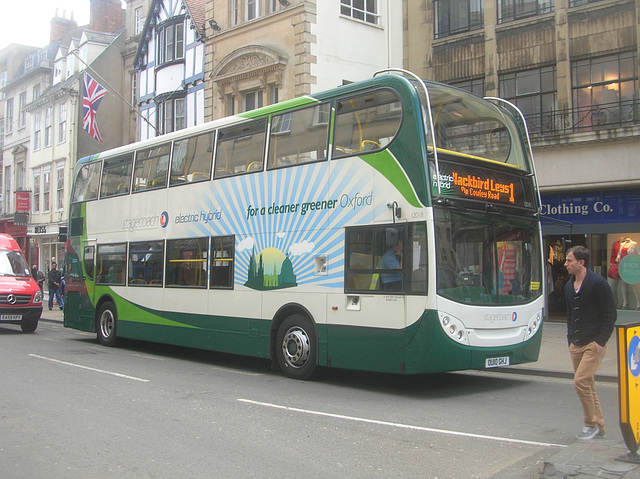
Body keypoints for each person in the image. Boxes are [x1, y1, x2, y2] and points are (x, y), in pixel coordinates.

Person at [564, 246, 616, 441]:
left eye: (569, 261)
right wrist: (570, 340)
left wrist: (601, 342)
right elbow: (570, 314)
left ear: (581, 263)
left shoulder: (598, 284)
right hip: (576, 344)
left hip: (593, 343)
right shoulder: (569, 285)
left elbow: (610, 314)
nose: (566, 264)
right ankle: (600, 427)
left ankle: (590, 423)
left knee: (580, 381)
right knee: (588, 384)